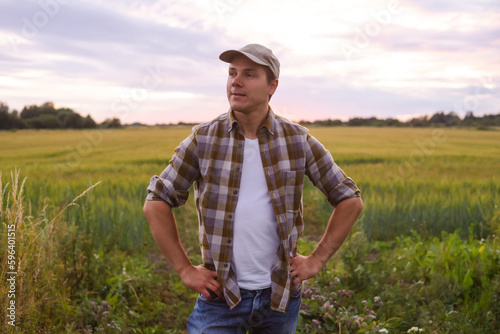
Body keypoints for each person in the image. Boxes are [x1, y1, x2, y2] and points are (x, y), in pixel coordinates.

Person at [143, 43, 363, 333]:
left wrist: (317, 260)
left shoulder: (298, 140)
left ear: (272, 86)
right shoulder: (204, 139)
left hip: (279, 297)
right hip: (221, 296)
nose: (236, 81)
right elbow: (156, 201)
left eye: (249, 74)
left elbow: (349, 199)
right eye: (232, 73)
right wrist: (185, 269)